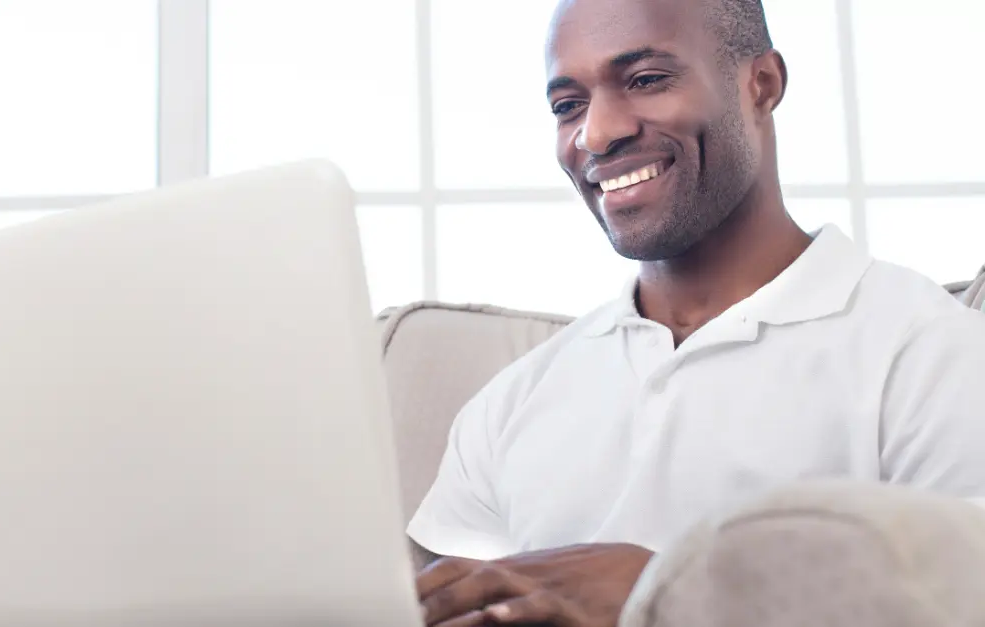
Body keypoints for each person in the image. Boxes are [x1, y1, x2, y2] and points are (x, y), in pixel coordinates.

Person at [408, 0, 985, 624]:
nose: (596, 133)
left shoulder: (929, 351)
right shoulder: (509, 405)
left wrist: (672, 592)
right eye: (567, 105)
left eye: (646, 80)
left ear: (760, 86)